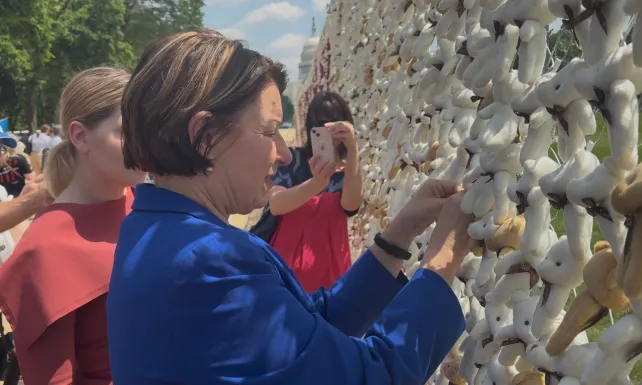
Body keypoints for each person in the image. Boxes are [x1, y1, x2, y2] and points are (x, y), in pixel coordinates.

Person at [108, 29, 474, 385]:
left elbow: (311, 326)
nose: (283, 155)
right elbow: (366, 376)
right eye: (269, 132)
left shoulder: (156, 230)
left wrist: (400, 233)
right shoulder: (206, 260)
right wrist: (442, 261)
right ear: (206, 138)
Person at [0, 67, 147, 385]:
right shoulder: (46, 249)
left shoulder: (148, 206)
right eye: (127, 132)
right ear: (80, 136)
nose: (145, 145)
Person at [250, 91, 362, 292]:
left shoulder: (348, 172)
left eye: (335, 122)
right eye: (321, 122)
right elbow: (276, 204)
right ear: (311, 126)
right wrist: (317, 183)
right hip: (288, 268)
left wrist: (353, 149)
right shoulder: (294, 160)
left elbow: (351, 206)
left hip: (332, 269)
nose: (329, 129)